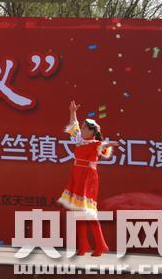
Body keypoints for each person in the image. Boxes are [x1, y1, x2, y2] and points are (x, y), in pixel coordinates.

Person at [58, 100, 117, 256]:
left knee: (89, 212)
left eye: (84, 128)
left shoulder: (95, 143)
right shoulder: (80, 140)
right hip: (77, 175)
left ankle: (101, 244)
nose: (81, 129)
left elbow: (103, 146)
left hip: (88, 178)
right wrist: (73, 112)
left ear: (92, 132)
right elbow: (74, 126)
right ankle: (84, 245)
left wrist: (108, 144)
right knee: (78, 212)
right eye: (82, 127)